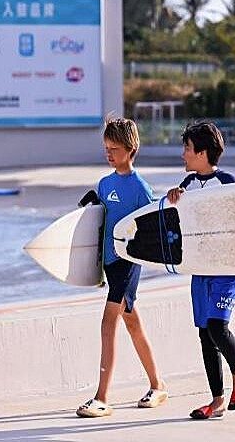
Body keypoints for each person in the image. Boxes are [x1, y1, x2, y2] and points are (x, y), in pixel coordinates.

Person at [166, 121, 235, 420]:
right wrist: (172, 198)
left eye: (187, 148)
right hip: (200, 269)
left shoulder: (227, 182)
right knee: (204, 334)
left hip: (226, 267)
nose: (183, 154)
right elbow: (178, 223)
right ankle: (217, 400)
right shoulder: (186, 185)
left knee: (216, 327)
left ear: (202, 153)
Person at [76, 117, 167, 417]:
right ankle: (158, 385)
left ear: (131, 149)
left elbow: (151, 226)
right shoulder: (105, 184)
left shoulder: (140, 188)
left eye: (114, 149)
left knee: (108, 324)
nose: (109, 154)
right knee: (132, 324)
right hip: (110, 264)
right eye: (106, 148)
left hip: (128, 262)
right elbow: (100, 222)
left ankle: (101, 397)